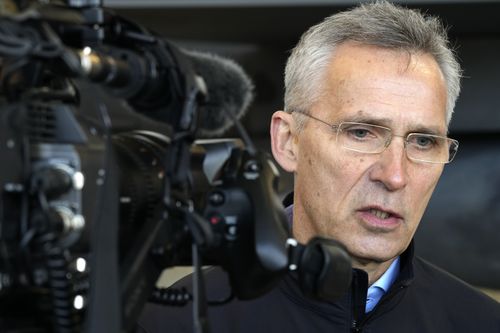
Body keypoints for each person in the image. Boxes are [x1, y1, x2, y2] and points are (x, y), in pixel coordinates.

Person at [136, 1, 500, 332]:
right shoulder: (175, 320)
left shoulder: (481, 323)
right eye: (361, 133)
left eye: (423, 141)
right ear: (288, 141)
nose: (394, 175)